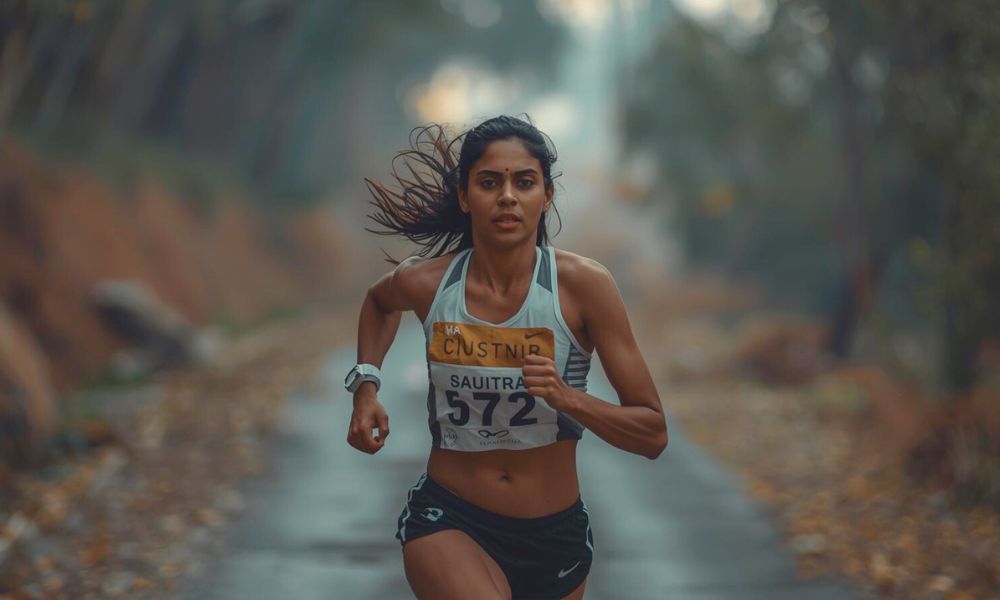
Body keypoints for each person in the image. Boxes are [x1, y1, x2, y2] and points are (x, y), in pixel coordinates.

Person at [346, 115, 667, 600]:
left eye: (525, 182)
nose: (508, 197)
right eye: (489, 182)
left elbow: (652, 434)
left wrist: (568, 398)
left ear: (547, 195)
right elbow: (377, 303)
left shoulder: (584, 287)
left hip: (554, 537)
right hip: (450, 518)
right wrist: (366, 386)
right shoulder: (429, 283)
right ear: (464, 195)